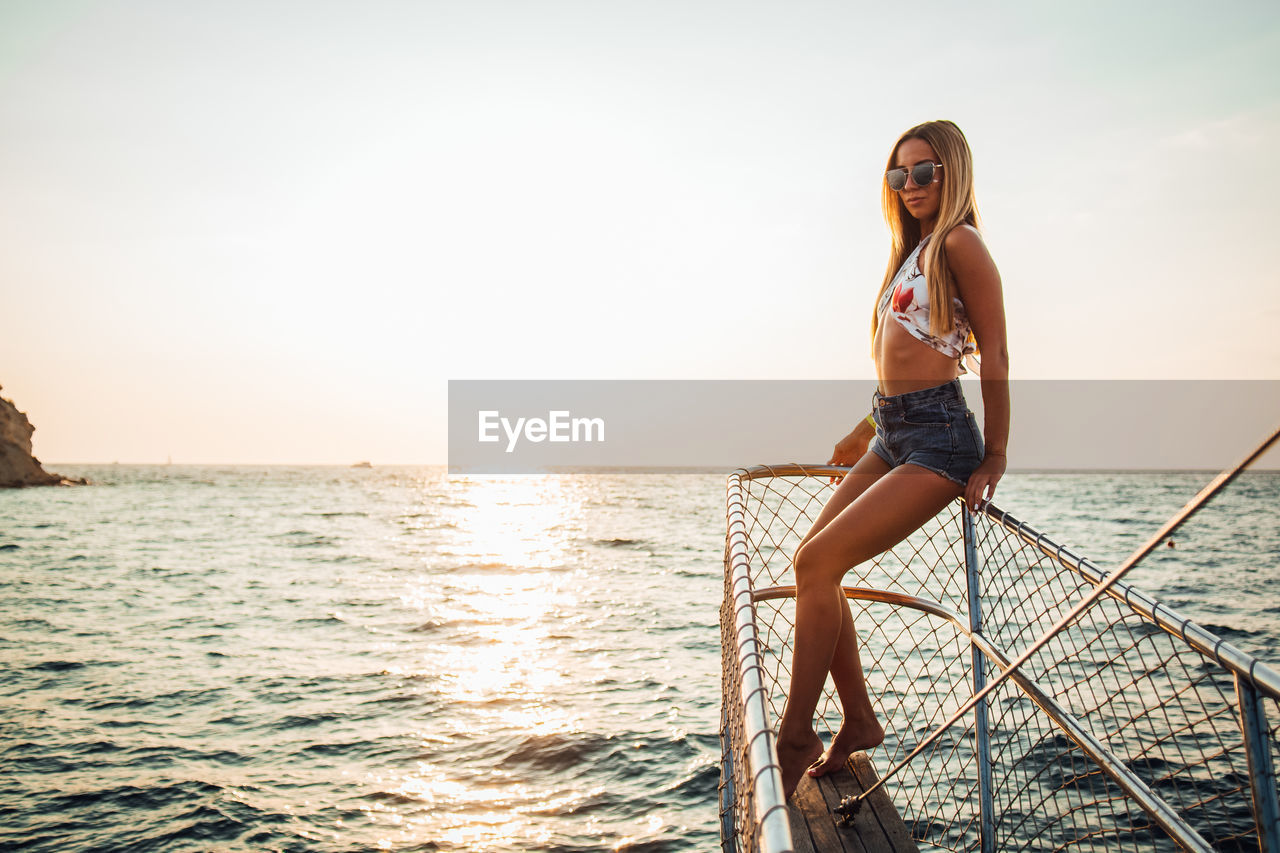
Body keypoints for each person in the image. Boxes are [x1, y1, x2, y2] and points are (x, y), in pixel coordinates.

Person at [775, 119, 1010, 799]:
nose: (911, 185)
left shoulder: (961, 243)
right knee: (813, 561)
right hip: (892, 431)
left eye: (925, 171)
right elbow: (903, 359)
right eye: (899, 173)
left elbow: (993, 353)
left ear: (952, 173)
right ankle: (859, 719)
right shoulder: (911, 252)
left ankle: (796, 733)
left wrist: (994, 453)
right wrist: (863, 428)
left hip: (940, 441)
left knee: (817, 563)